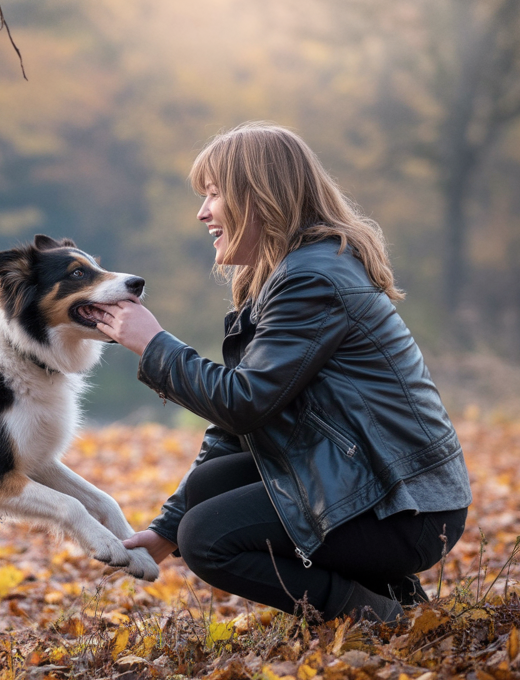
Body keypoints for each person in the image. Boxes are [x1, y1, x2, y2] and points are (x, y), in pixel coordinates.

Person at [91, 122, 471, 623]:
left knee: (208, 538)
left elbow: (243, 402)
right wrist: (167, 527)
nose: (202, 212)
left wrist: (153, 344)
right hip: (383, 488)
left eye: (214, 194)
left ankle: (371, 617)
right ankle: (394, 600)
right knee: (208, 490)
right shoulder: (288, 276)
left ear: (259, 195)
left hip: (406, 507)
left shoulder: (311, 278)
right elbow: (235, 427)